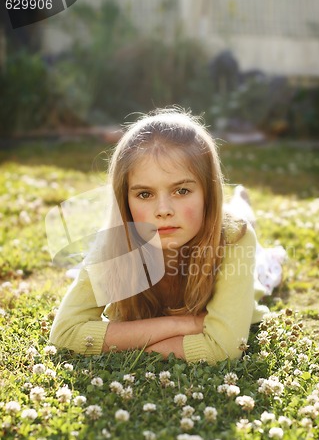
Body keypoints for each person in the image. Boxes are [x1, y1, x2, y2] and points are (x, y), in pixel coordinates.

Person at [49, 107, 274, 365]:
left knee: (260, 253)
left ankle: (241, 204)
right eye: (145, 194)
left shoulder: (236, 241)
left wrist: (125, 342)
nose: (163, 211)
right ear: (125, 201)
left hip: (236, 246)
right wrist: (184, 324)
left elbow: (223, 348)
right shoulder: (114, 241)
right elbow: (64, 333)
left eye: (181, 191)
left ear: (208, 193)